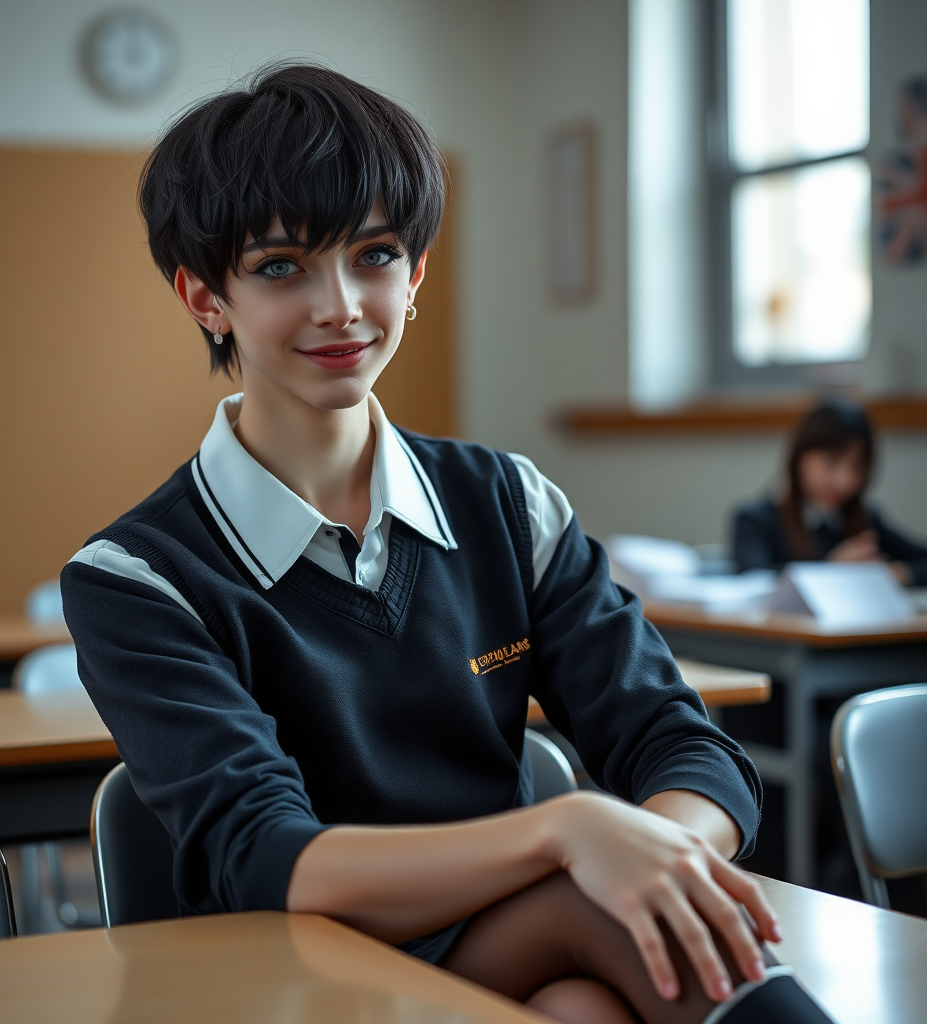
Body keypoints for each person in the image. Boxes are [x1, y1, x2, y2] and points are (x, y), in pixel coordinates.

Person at [62, 65, 831, 1024]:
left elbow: (685, 748)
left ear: (416, 273)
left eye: (374, 255)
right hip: (290, 980)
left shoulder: (507, 502)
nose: (340, 304)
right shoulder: (135, 578)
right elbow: (267, 860)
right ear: (203, 297)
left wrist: (655, 858)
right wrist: (569, 834)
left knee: (584, 1004)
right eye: (278, 267)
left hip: (519, 933)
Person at [733, 399, 927, 585]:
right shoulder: (755, 520)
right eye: (831, 462)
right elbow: (754, 580)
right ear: (799, 456)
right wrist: (829, 571)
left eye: (857, 467)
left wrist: (894, 573)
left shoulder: (864, 519)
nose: (844, 481)